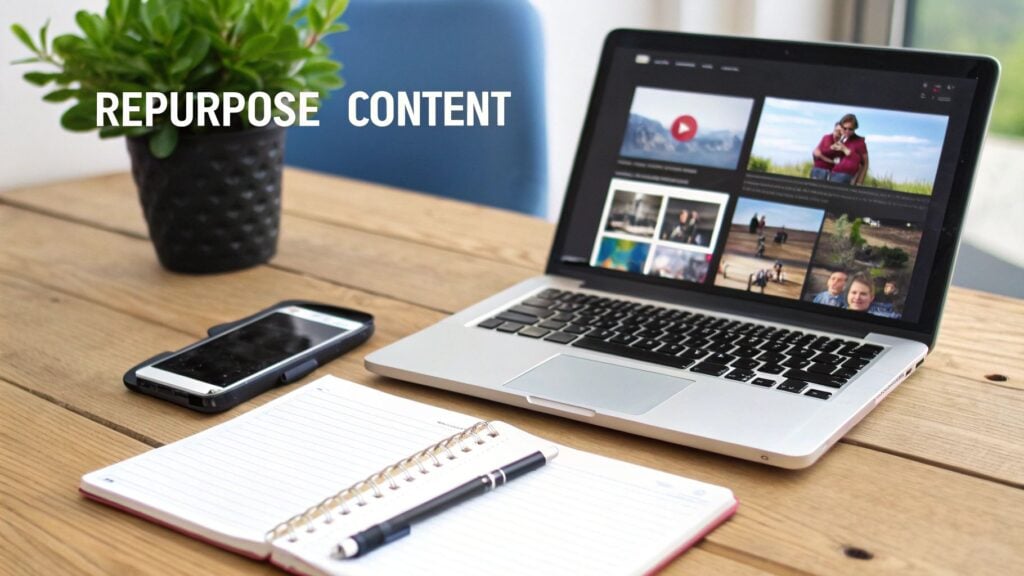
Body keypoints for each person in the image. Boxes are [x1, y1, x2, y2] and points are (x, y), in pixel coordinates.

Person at [829, 114, 869, 185]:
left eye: (850, 129)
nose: (847, 131)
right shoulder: (843, 139)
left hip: (845, 177)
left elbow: (865, 164)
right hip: (833, 174)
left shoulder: (860, 142)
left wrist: (859, 183)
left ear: (855, 128)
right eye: (845, 128)